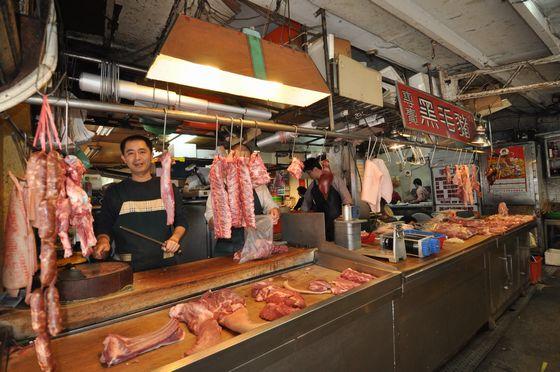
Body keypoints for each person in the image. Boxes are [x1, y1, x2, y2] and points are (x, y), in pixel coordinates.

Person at [94, 135, 188, 272]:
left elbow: (182, 220)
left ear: (151, 156)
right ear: (124, 159)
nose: (137, 158)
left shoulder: (167, 187)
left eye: (142, 152)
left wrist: (175, 238)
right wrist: (103, 241)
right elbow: (104, 226)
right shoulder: (115, 191)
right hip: (128, 269)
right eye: (130, 153)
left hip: (166, 266)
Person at [204, 144, 280, 256]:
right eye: (238, 162)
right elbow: (210, 220)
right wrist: (221, 221)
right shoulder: (219, 186)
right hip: (227, 248)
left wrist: (274, 211)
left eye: (245, 162)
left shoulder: (258, 186)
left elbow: (271, 206)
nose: (241, 165)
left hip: (255, 245)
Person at [301, 157, 353, 241]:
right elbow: (306, 203)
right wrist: (302, 218)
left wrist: (345, 217)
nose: (309, 175)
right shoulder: (313, 185)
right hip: (320, 223)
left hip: (337, 222)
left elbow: (347, 200)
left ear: (315, 169)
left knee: (338, 244)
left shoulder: (335, 180)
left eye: (309, 172)